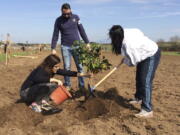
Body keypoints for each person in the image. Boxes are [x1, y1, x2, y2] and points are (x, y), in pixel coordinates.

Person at [109, 25, 161, 118]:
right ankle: (139, 98)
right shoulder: (125, 31)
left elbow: (133, 62)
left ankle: (147, 109)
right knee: (139, 77)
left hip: (151, 54)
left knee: (145, 81)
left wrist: (125, 60)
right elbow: (139, 31)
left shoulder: (130, 46)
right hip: (143, 53)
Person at [20, 54, 90, 113]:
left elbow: (66, 72)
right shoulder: (41, 69)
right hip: (26, 93)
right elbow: (36, 79)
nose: (57, 68)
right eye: (56, 66)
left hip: (33, 91)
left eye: (58, 66)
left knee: (54, 86)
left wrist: (82, 74)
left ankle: (43, 102)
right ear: (50, 65)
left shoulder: (53, 69)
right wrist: (53, 79)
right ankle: (35, 105)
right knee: (49, 85)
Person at [51, 3, 90, 92]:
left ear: (70, 10)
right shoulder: (58, 20)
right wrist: (53, 48)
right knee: (67, 67)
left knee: (80, 66)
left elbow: (82, 30)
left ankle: (81, 86)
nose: (67, 15)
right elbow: (55, 34)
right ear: (62, 11)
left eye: (68, 13)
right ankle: (68, 85)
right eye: (65, 14)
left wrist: (87, 42)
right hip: (65, 47)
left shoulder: (76, 17)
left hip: (77, 46)